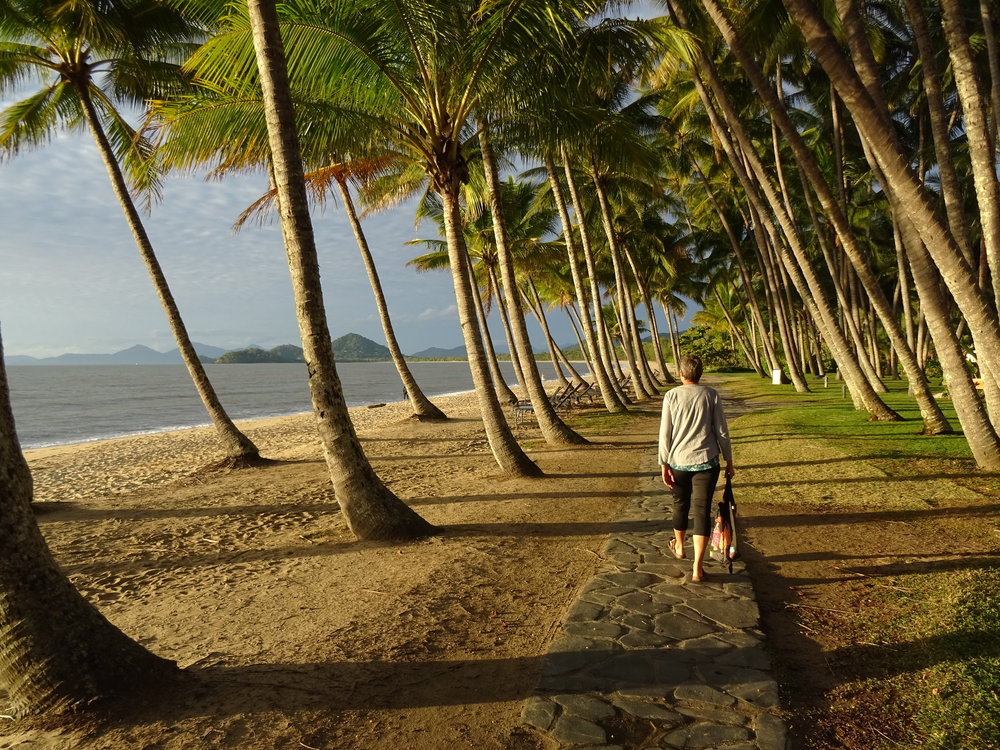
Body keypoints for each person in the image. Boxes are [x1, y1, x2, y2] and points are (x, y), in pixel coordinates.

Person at [658, 354, 735, 582]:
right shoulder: (710, 395)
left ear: (681, 373)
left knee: (680, 505)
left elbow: (665, 434)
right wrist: (729, 460)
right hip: (707, 461)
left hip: (679, 462)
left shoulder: (671, 396)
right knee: (701, 512)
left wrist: (663, 463)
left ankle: (680, 547)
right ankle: (697, 568)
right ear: (699, 373)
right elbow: (721, 430)